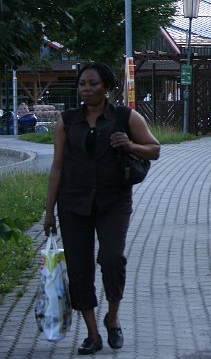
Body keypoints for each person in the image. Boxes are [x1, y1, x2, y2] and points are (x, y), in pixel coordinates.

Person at [44, 62, 160, 355]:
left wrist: (130, 146)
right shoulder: (66, 121)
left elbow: (155, 149)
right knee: (79, 269)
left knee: (111, 258)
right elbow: (57, 167)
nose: (87, 89)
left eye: (94, 83)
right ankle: (93, 333)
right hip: (72, 204)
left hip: (114, 201)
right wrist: (48, 212)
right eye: (83, 83)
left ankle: (112, 316)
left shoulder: (125, 117)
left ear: (107, 87)